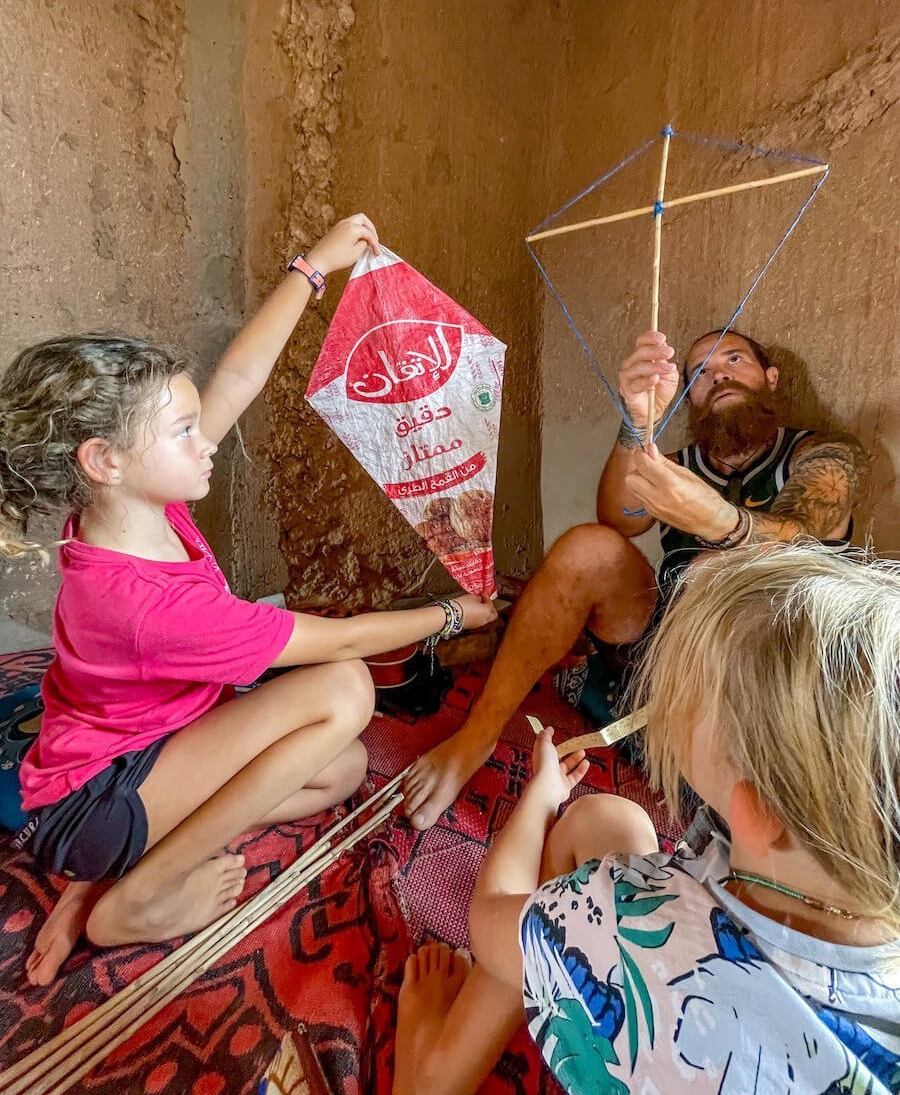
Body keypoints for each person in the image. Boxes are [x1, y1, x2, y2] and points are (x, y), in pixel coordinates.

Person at [0, 213, 496, 986]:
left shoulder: (137, 507)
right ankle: (137, 894)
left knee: (340, 768)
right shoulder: (141, 604)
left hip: (146, 761)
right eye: (184, 431)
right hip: (95, 798)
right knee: (344, 688)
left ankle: (117, 871)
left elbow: (236, 376)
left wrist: (314, 268)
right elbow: (335, 645)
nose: (206, 443)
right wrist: (454, 614)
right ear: (104, 459)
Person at [393, 543, 900, 1095]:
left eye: (692, 693)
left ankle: (430, 1078)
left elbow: (488, 917)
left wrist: (539, 798)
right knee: (608, 822)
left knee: (542, 928)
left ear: (755, 811)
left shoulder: (631, 921)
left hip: (661, 1005)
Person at [403, 327, 868, 830]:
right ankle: (477, 736)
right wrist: (635, 422)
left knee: (713, 574)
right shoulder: (675, 466)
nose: (719, 375)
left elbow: (806, 534)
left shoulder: (819, 454)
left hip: (773, 657)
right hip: (665, 644)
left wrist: (721, 523)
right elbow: (618, 520)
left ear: (770, 378)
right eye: (702, 373)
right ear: (690, 397)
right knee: (588, 548)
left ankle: (701, 759)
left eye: (734, 360)